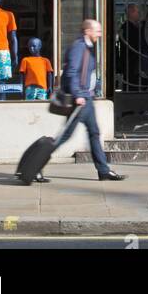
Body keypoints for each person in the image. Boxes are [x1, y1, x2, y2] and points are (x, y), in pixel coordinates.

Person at [56, 19, 125, 182]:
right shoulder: (79, 47)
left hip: (86, 98)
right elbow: (72, 72)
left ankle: (103, 171)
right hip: (79, 100)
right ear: (88, 31)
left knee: (94, 133)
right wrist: (77, 94)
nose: (100, 34)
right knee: (65, 136)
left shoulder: (88, 47)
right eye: (97, 31)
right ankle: (36, 166)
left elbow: (86, 72)